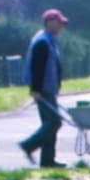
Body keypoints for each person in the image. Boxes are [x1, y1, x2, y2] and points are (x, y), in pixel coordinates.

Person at [19, 9, 68, 167]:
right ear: (50, 22)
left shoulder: (49, 40)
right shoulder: (42, 42)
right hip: (43, 90)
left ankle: (48, 161)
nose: (61, 27)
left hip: (48, 89)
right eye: (59, 23)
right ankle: (28, 145)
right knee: (54, 123)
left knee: (50, 125)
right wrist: (35, 89)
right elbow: (37, 68)